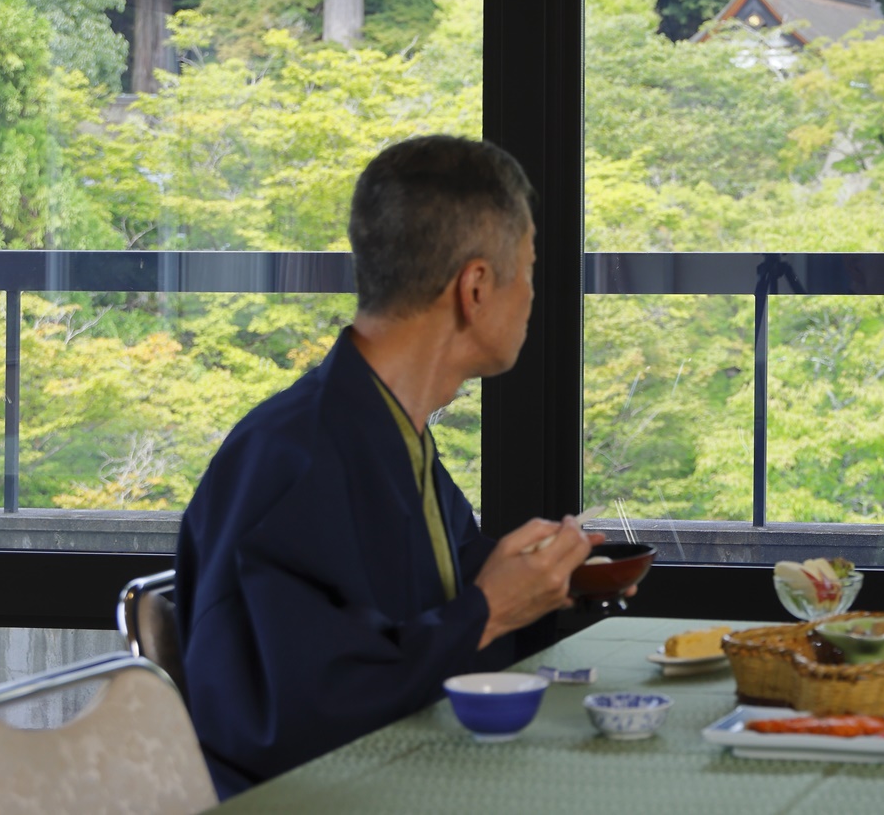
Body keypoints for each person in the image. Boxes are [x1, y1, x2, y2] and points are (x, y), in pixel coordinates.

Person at [175, 136, 606, 797]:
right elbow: (300, 710)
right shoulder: (289, 456)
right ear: (477, 287)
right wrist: (489, 611)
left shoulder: (388, 431)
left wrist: (543, 582)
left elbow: (448, 596)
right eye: (530, 270)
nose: (533, 296)